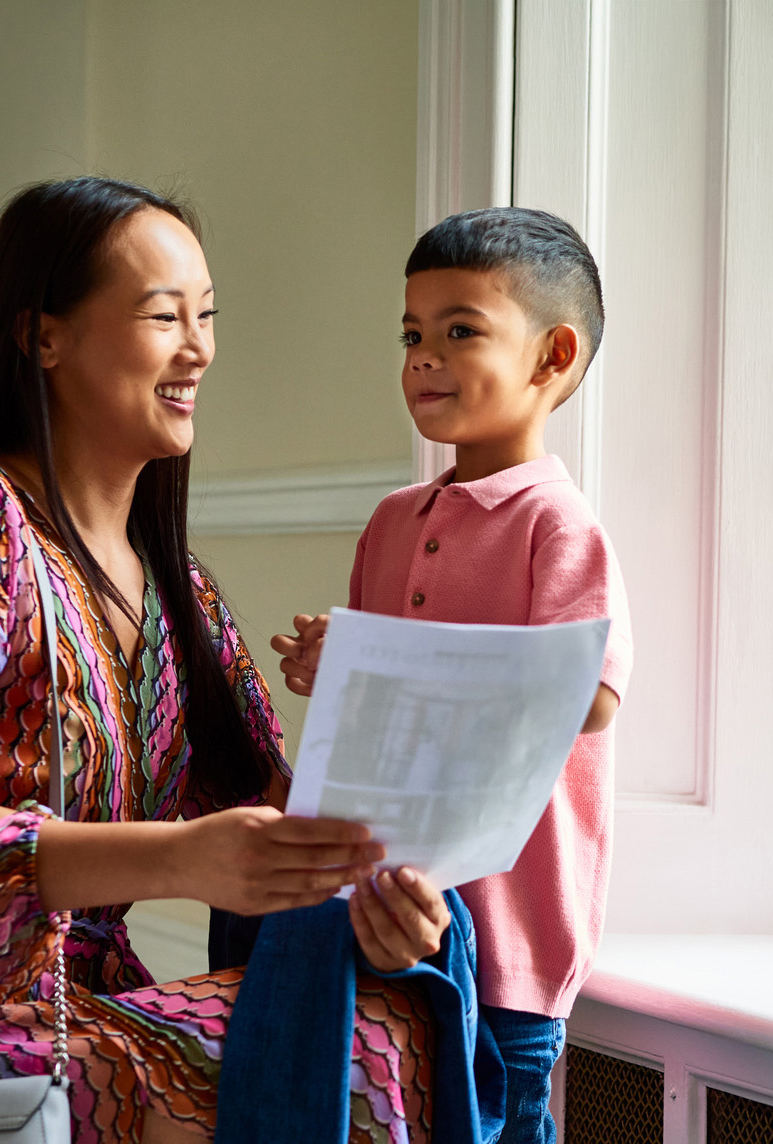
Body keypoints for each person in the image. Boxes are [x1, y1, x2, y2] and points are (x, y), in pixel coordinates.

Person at [0, 176, 454, 1144]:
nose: (199, 348)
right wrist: (179, 857)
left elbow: (277, 812)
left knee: (383, 1020)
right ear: (43, 335)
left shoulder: (176, 586)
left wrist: (377, 889)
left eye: (205, 316)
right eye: (164, 315)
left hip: (77, 1006)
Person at [271, 207, 633, 1144]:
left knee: (498, 1119)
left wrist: (429, 670)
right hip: (384, 911)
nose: (423, 358)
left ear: (552, 356)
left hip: (508, 935)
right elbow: (372, 703)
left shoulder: (560, 527)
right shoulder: (393, 519)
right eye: (411, 334)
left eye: (460, 330)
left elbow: (588, 697)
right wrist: (335, 662)